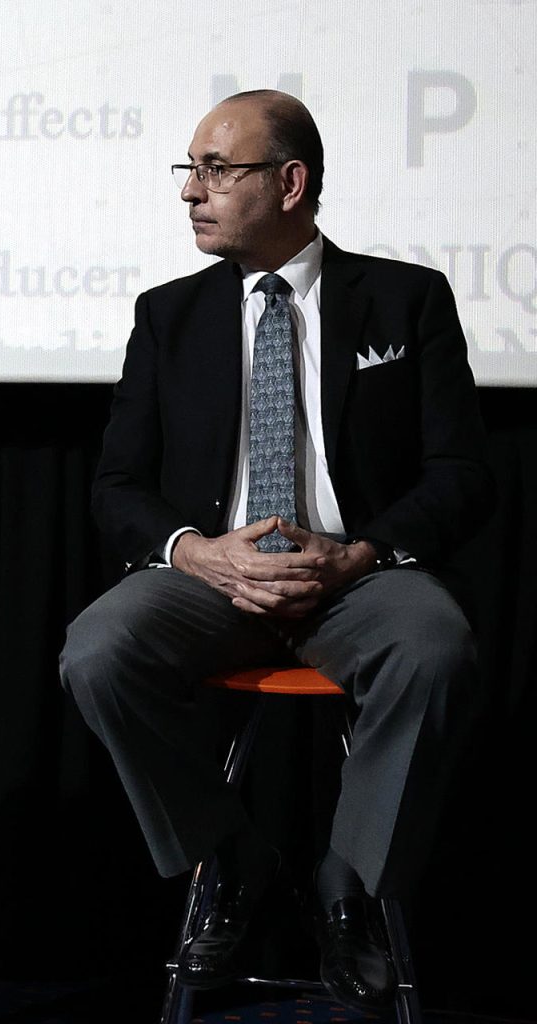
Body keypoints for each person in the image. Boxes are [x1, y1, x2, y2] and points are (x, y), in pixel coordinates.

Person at [59, 90, 492, 1012]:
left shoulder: (407, 298)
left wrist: (362, 553)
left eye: (217, 170)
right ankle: (232, 852)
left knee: (435, 648)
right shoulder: (167, 316)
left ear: (291, 183)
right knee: (97, 652)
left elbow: (462, 474)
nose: (192, 192)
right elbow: (117, 486)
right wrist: (197, 553)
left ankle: (351, 884)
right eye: (190, 170)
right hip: (217, 580)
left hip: (357, 577)